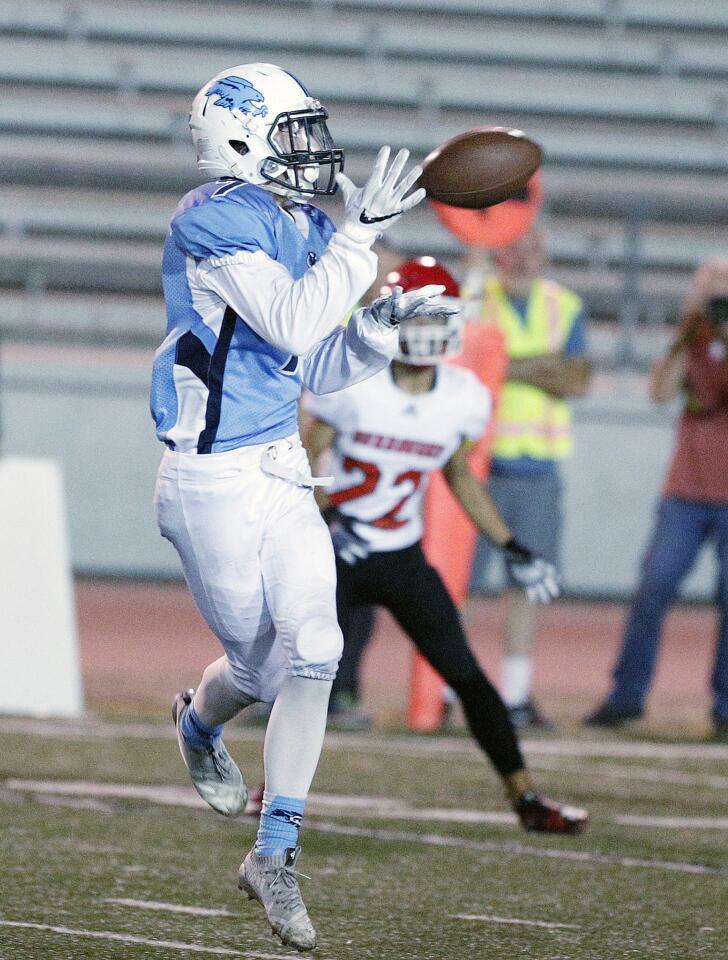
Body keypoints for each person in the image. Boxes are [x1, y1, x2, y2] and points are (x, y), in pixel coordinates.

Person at [150, 62, 447, 951]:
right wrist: (358, 244)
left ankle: (274, 850)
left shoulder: (299, 222)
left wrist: (372, 334)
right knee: (261, 668)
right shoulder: (212, 216)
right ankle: (200, 720)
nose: (310, 153)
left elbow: (307, 362)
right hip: (209, 479)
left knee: (317, 644)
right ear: (241, 140)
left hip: (280, 463)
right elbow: (283, 319)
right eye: (291, 134)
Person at [304, 256, 589, 834]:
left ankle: (526, 799)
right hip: (336, 551)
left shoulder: (461, 394)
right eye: (416, 313)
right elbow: (306, 458)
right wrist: (327, 524)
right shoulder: (352, 378)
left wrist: (512, 546)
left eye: (437, 314)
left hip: (399, 554)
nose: (427, 326)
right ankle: (267, 785)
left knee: (469, 678)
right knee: (301, 681)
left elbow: (459, 475)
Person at [586, 260, 728, 740]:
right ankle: (627, 696)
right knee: (653, 589)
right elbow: (661, 394)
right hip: (686, 490)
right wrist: (689, 334)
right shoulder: (692, 337)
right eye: (710, 286)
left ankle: (725, 705)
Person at [470, 226, 592, 728]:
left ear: (543, 254)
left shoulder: (564, 304)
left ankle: (515, 696)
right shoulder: (475, 298)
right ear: (498, 253)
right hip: (475, 468)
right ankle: (453, 689)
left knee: (528, 585)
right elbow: (469, 367)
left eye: (530, 248)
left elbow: (577, 379)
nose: (521, 257)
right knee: (456, 587)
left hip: (536, 469)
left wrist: (504, 365)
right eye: (512, 247)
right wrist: (543, 365)